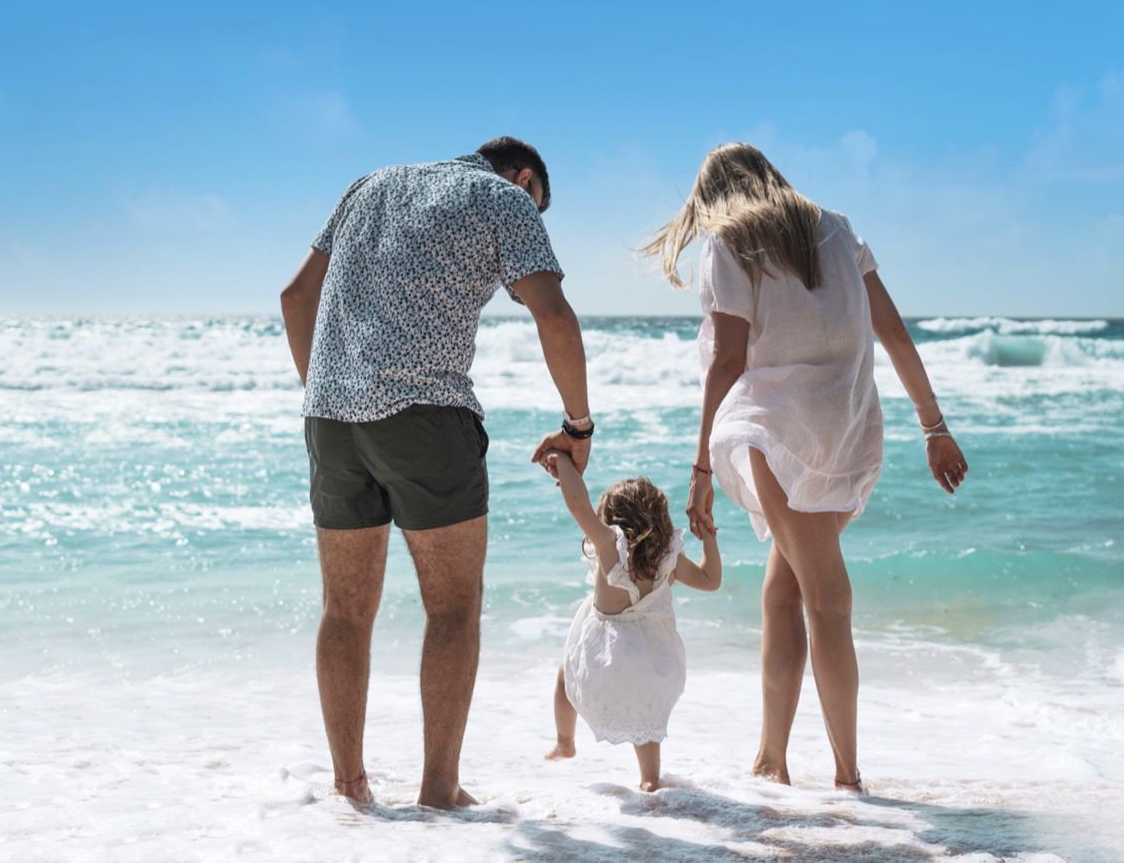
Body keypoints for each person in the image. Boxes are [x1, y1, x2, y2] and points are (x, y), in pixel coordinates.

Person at [279, 137, 595, 810]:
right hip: (427, 415)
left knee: (345, 610)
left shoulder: (368, 184)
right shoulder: (504, 198)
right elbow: (555, 316)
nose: (533, 216)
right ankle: (438, 790)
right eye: (538, 203)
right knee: (452, 606)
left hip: (331, 420)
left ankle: (350, 789)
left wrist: (327, 394)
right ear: (525, 176)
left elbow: (294, 295)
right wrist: (578, 426)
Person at [641, 142, 967, 793]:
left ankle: (848, 777)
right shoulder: (839, 230)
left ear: (713, 197)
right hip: (849, 426)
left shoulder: (731, 242)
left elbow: (728, 361)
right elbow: (895, 335)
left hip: (778, 430)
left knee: (826, 598)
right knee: (783, 592)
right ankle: (771, 759)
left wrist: (702, 464)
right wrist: (934, 426)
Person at [540, 450, 722, 791]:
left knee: (567, 675)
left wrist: (564, 464)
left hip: (603, 660)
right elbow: (711, 580)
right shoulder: (670, 560)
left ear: (613, 521)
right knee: (647, 718)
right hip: (651, 663)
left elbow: (577, 503)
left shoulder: (610, 547)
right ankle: (650, 779)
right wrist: (708, 532)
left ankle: (565, 741)